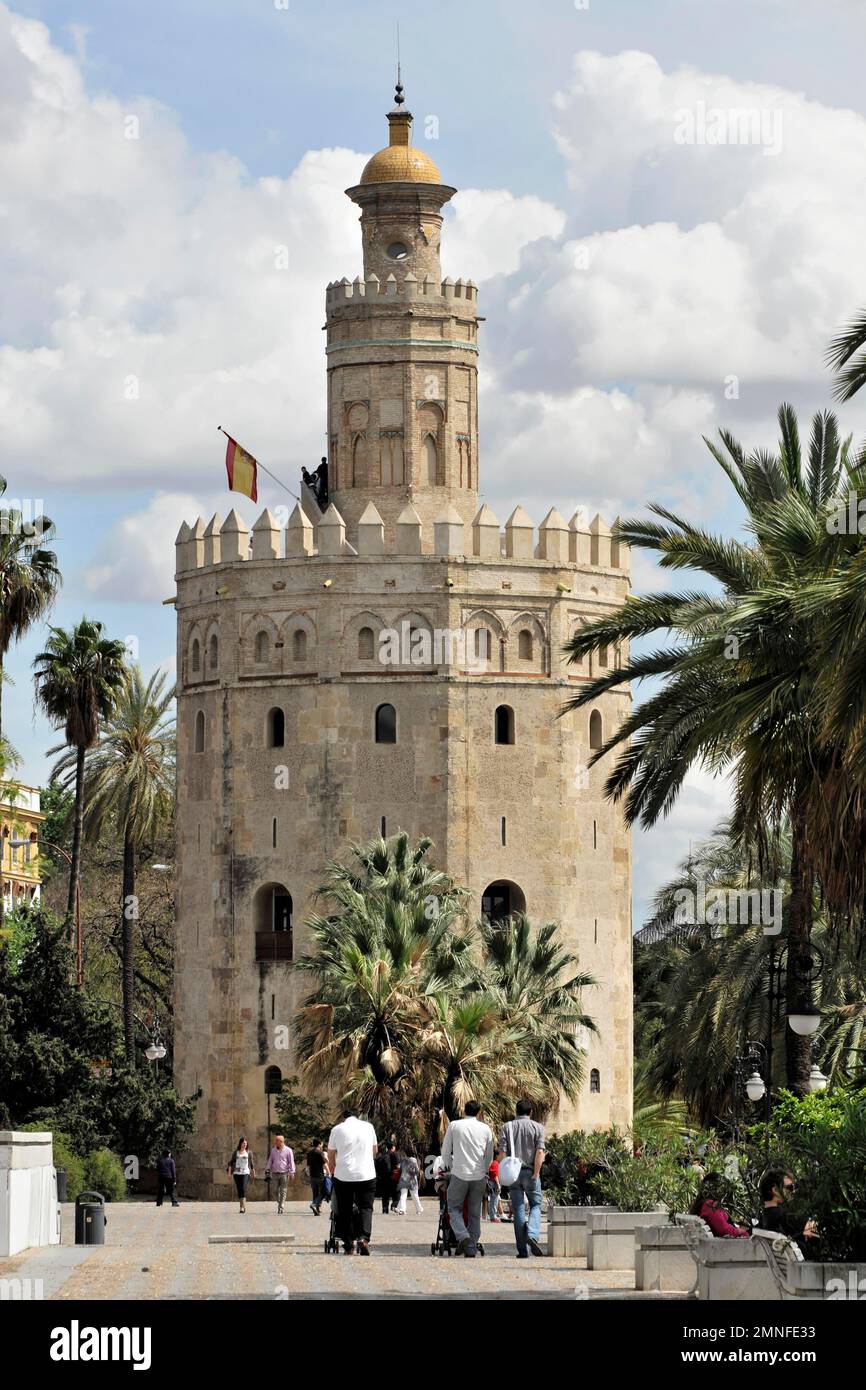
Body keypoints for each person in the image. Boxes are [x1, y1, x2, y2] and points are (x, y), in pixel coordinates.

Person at [440, 1100, 494, 1258]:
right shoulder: (485, 1128)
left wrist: (451, 1167)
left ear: (464, 1110)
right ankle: (472, 1243)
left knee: (453, 1208)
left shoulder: (454, 1125)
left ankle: (464, 1237)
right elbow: (489, 1154)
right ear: (479, 1112)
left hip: (459, 1173)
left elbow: (445, 1151)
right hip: (479, 1175)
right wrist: (484, 1169)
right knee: (474, 1212)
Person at [327, 1107, 378, 1255]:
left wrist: (334, 1167)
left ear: (344, 1117)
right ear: (358, 1116)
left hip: (343, 1175)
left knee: (345, 1209)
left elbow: (330, 1154)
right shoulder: (369, 1127)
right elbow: (375, 1150)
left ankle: (348, 1243)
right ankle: (363, 1238)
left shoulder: (337, 1129)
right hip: (366, 1174)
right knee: (366, 1207)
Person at [498, 1098, 546, 1258]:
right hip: (530, 1170)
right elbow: (540, 1152)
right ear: (531, 1112)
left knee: (518, 1208)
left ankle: (522, 1250)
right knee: (535, 1205)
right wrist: (536, 1173)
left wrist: (502, 1173)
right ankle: (532, 1234)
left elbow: (502, 1154)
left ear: (516, 1111)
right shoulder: (538, 1127)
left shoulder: (507, 1127)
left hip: (513, 1173)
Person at [759, 1169, 818, 1242]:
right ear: (775, 1190)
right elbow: (813, 1228)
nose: (793, 1191)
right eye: (790, 1187)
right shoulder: (785, 1216)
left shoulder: (763, 1219)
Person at [690, 1172, 750, 1237]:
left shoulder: (701, 1203)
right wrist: (742, 1231)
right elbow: (724, 1230)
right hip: (722, 1241)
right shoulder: (710, 1204)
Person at [265, 1134, 295, 1214]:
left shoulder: (288, 1150)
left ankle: (281, 1207)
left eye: (277, 1141)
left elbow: (291, 1162)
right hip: (275, 1173)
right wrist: (267, 1169)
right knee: (275, 1191)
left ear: (281, 1142)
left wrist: (292, 1172)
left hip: (284, 1173)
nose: (275, 1142)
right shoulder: (273, 1150)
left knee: (283, 1190)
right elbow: (270, 1160)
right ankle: (280, 1201)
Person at [226, 1136, 256, 1213]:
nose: (245, 1145)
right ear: (240, 1144)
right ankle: (242, 1206)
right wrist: (229, 1173)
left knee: (243, 1188)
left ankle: (242, 1207)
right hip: (236, 1173)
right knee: (239, 1190)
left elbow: (252, 1164)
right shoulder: (236, 1152)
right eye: (243, 1143)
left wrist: (253, 1173)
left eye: (246, 1143)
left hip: (245, 1173)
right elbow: (230, 1163)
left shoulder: (249, 1152)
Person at [395, 1148, 424, 1215]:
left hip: (404, 1179)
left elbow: (400, 1169)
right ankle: (419, 1209)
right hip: (412, 1180)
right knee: (415, 1195)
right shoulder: (414, 1160)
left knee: (403, 1195)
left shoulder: (403, 1160)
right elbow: (417, 1170)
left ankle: (402, 1209)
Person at [306, 1139, 327, 1215]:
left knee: (315, 1193)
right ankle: (314, 1204)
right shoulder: (319, 1152)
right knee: (323, 1192)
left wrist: (309, 1175)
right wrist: (328, 1173)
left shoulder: (309, 1152)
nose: (322, 1146)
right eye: (322, 1144)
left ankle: (316, 1210)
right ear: (319, 1144)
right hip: (319, 1175)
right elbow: (324, 1164)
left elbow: (308, 1165)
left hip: (312, 1175)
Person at [375, 1146, 393, 1215]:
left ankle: (384, 1209)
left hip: (381, 1178)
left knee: (384, 1195)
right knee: (387, 1194)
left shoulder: (378, 1158)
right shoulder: (387, 1157)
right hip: (387, 1178)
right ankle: (386, 1209)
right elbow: (388, 1168)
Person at [485, 1158, 501, 1223]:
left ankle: (493, 1216)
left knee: (494, 1200)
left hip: (492, 1183)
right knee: (494, 1200)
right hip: (494, 1183)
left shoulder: (494, 1162)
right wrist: (498, 1184)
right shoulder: (495, 1163)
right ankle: (493, 1217)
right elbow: (495, 1175)